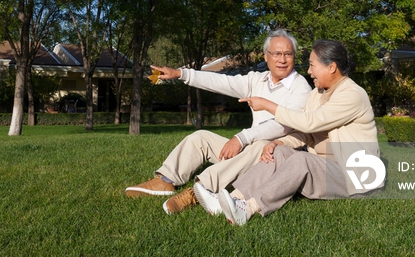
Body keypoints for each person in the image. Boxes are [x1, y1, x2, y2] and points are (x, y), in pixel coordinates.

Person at [124, 29, 312, 215]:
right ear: (266, 56)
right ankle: (165, 180)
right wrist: (181, 74)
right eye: (277, 53)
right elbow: (222, 82)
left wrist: (242, 138)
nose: (282, 59)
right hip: (251, 146)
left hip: (274, 154)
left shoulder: (300, 87)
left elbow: (283, 124)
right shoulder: (258, 80)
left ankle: (199, 191)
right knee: (200, 138)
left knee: (260, 144)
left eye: (288, 54)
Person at [204, 39, 382, 225]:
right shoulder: (317, 95)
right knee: (278, 153)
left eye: (312, 65)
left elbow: (310, 123)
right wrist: (279, 143)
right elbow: (305, 134)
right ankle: (232, 199)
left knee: (300, 159)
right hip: (325, 167)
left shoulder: (352, 94)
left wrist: (268, 105)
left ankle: (249, 208)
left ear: (331, 67)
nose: (309, 71)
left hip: (353, 175)